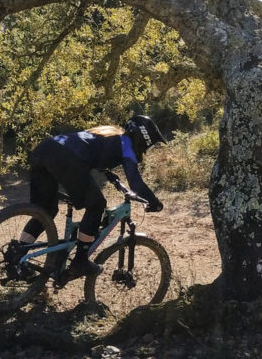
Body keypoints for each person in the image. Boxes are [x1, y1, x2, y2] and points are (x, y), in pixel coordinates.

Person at [14, 114, 167, 279]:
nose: (144, 151)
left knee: (45, 211)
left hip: (44, 150)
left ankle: (16, 255)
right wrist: (154, 202)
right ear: (142, 138)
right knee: (97, 204)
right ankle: (80, 260)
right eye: (146, 146)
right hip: (65, 157)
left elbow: (93, 154)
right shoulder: (126, 144)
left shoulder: (107, 134)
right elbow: (135, 182)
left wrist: (112, 178)